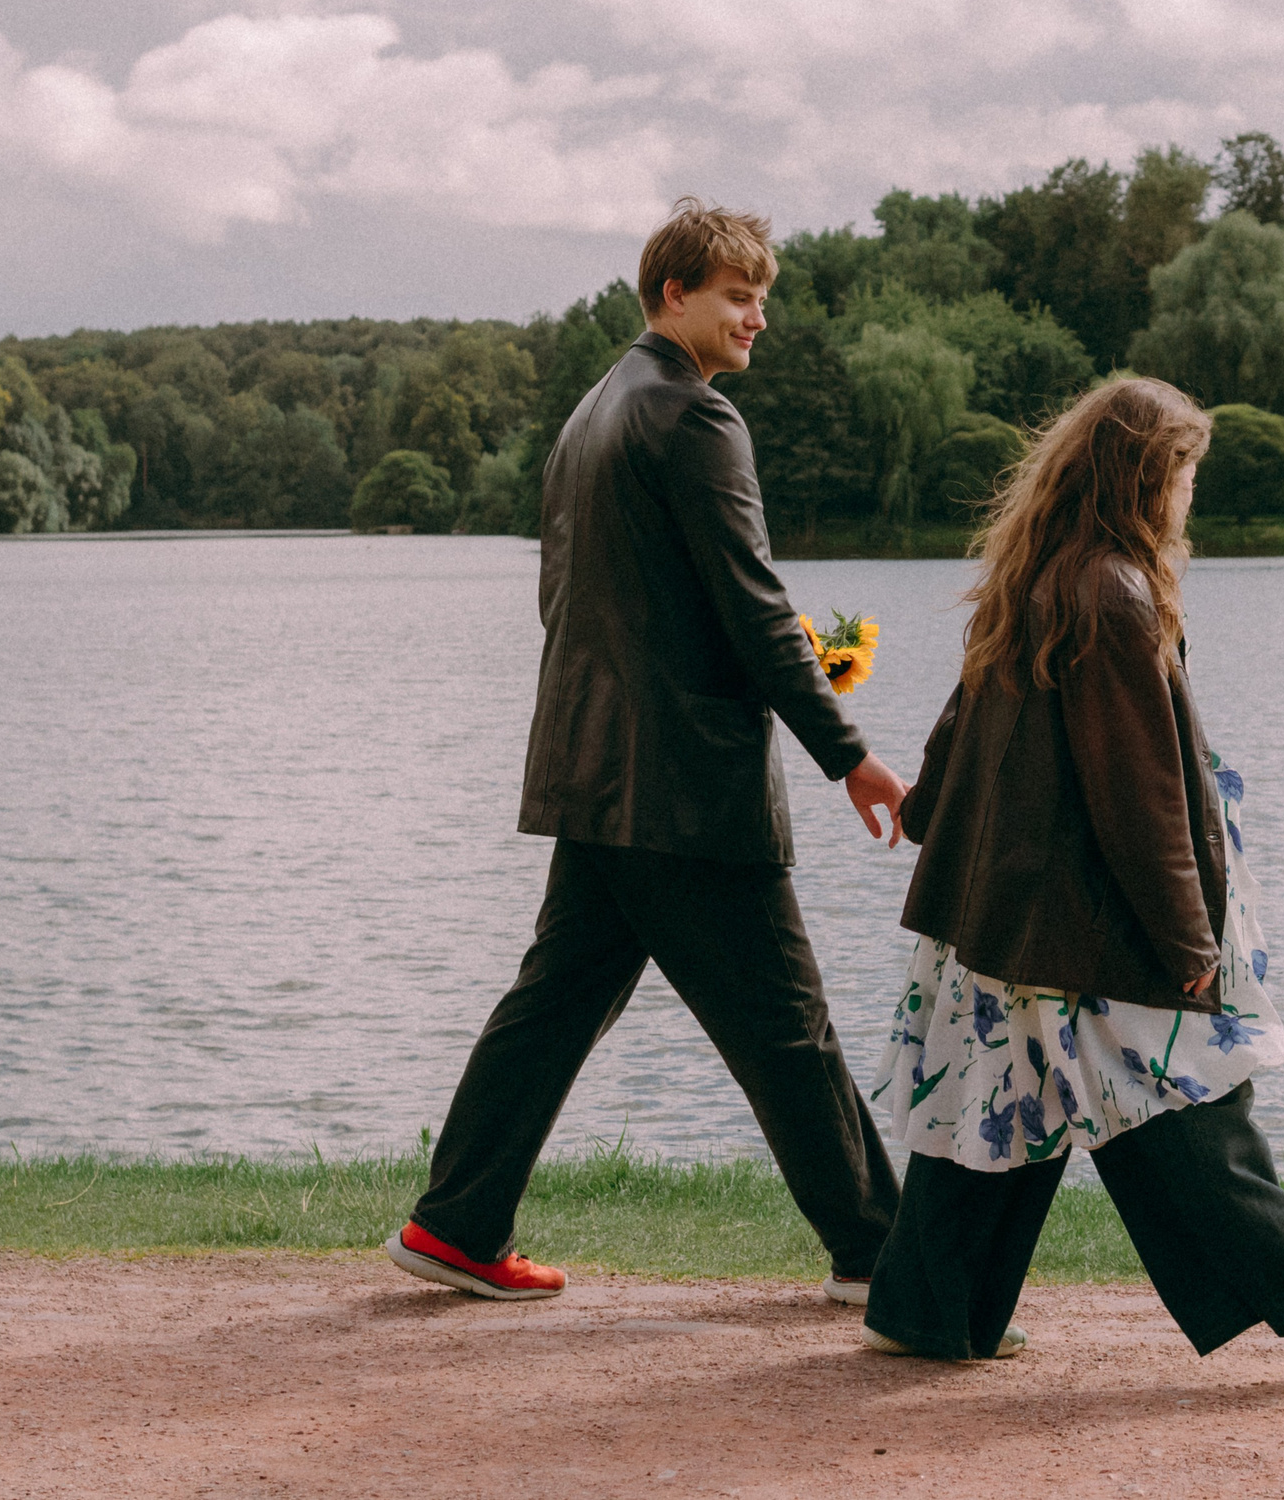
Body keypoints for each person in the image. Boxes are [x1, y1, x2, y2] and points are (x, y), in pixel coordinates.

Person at [386, 198, 910, 1303]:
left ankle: (455, 1223)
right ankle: (888, 1260)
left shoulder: (595, 410)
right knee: (788, 1027)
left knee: (554, 1006)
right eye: (737, 296)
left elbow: (586, 602)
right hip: (682, 788)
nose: (757, 317)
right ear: (675, 293)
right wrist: (847, 753)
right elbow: (754, 608)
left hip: (595, 770)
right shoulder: (693, 416)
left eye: (761, 298)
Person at [862, 376, 1284, 1370]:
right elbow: (1139, 797)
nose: (1188, 495)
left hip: (1010, 913)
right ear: (1140, 478)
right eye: (1183, 474)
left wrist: (927, 814)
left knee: (1001, 1099)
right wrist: (1187, 943)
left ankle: (924, 1311)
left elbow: (960, 724)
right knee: (1182, 1105)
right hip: (1082, 923)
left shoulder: (1036, 574)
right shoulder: (1113, 594)